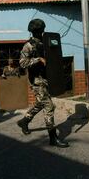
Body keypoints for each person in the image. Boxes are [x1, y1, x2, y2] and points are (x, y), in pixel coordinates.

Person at [16, 18, 69, 148]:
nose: (42, 32)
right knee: (49, 106)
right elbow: (22, 63)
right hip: (36, 80)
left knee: (41, 103)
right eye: (40, 30)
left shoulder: (45, 42)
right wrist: (37, 59)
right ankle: (53, 137)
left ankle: (24, 120)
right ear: (37, 31)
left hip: (47, 77)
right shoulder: (28, 45)